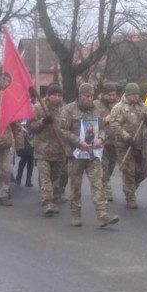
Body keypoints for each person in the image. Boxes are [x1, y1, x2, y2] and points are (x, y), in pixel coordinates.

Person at [58, 83, 119, 228]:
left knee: (98, 183)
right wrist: (78, 142)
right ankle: (75, 214)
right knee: (75, 185)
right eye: (86, 96)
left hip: (93, 153)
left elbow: (103, 128)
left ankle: (102, 214)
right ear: (80, 96)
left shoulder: (96, 110)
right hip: (76, 154)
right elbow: (63, 130)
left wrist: (101, 139)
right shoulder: (68, 110)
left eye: (91, 96)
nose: (89, 99)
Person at [109, 83, 147, 209]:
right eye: (133, 94)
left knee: (143, 172)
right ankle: (130, 198)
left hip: (141, 145)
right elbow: (114, 124)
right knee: (129, 172)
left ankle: (132, 187)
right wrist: (126, 137)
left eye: (137, 94)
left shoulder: (143, 107)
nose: (136, 96)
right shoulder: (119, 107)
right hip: (125, 145)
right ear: (127, 94)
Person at [27, 83, 66, 216]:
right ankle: (47, 203)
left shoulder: (65, 109)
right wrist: (43, 122)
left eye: (60, 95)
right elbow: (30, 126)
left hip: (59, 149)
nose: (57, 98)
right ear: (48, 96)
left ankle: (53, 198)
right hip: (43, 149)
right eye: (54, 95)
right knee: (45, 178)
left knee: (55, 178)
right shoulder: (39, 108)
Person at [94, 82, 118, 201]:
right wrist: (105, 120)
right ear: (103, 94)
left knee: (110, 167)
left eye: (114, 95)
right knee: (103, 167)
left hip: (115, 142)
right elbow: (91, 124)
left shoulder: (118, 106)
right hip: (102, 142)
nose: (112, 97)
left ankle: (103, 186)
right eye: (109, 95)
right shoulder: (96, 105)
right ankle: (106, 193)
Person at [15, 121, 34, 187]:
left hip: (32, 146)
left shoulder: (32, 121)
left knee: (30, 164)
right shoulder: (23, 120)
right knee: (22, 163)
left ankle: (28, 181)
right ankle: (19, 179)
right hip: (26, 145)